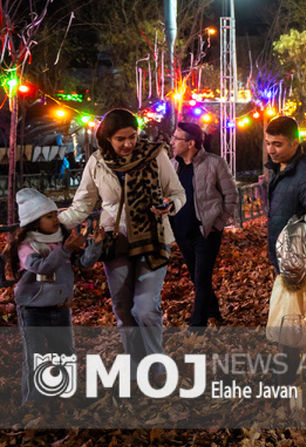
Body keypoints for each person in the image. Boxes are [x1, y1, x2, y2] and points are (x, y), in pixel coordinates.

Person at [59, 109, 185, 362]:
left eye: (132, 137)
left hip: (153, 239)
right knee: (123, 309)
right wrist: (50, 226)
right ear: (107, 138)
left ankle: (156, 364)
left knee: (145, 308)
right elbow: (82, 205)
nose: (128, 144)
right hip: (114, 242)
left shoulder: (155, 156)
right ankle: (136, 364)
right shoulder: (97, 162)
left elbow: (178, 193)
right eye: (120, 139)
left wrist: (169, 205)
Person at [7, 189, 86, 403]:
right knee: (35, 355)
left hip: (59, 306)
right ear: (34, 221)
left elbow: (82, 262)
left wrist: (94, 246)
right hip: (33, 309)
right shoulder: (27, 246)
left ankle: (65, 394)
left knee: (65, 353)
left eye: (55, 215)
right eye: (49, 216)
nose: (55, 220)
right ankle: (33, 402)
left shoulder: (61, 241)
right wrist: (66, 251)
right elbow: (41, 267)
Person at [265, 116, 306, 349]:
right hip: (285, 256)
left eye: (277, 144)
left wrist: (301, 259)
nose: (271, 150)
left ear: (294, 143)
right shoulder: (279, 169)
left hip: (299, 261)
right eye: (268, 143)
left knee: (292, 316)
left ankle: (285, 375)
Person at [169, 121, 238, 329]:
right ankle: (214, 311)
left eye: (176, 138)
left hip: (206, 232)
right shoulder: (173, 166)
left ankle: (197, 327)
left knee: (201, 278)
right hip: (182, 231)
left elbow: (231, 195)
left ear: (190, 143)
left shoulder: (214, 163)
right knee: (197, 277)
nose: (171, 142)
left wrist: (218, 224)